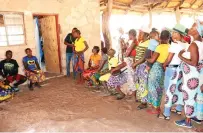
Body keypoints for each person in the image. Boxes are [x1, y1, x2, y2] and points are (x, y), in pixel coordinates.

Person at [175, 20, 203, 128]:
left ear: (197, 31)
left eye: (192, 28)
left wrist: (180, 56)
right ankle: (195, 117)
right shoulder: (201, 43)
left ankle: (188, 121)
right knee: (194, 97)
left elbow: (194, 62)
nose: (189, 29)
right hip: (196, 75)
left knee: (189, 97)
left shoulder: (194, 45)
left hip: (191, 77)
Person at [159, 24, 189, 120]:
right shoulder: (186, 44)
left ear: (179, 34)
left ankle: (166, 113)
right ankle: (179, 108)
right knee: (179, 89)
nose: (172, 34)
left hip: (171, 69)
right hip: (181, 70)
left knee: (169, 90)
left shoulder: (175, 44)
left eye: (174, 32)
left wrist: (164, 65)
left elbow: (169, 58)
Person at [107, 29, 138, 100]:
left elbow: (126, 53)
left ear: (131, 35)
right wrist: (124, 45)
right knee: (129, 79)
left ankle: (133, 96)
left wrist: (125, 50)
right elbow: (124, 50)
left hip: (130, 62)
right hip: (128, 62)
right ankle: (125, 94)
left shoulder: (134, 42)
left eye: (129, 35)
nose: (128, 36)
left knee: (131, 79)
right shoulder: (131, 42)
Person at [146, 30, 170, 114]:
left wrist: (146, 58)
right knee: (159, 88)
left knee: (152, 87)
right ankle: (158, 107)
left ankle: (155, 109)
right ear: (168, 38)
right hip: (163, 69)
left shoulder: (159, 47)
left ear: (160, 37)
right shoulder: (170, 47)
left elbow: (152, 60)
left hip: (156, 68)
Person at [135, 29, 159, 110]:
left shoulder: (149, 43)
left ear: (146, 34)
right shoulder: (142, 42)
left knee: (143, 83)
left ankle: (144, 102)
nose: (139, 35)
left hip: (143, 65)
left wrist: (135, 63)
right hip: (139, 65)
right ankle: (142, 99)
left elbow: (145, 57)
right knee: (140, 82)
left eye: (140, 33)